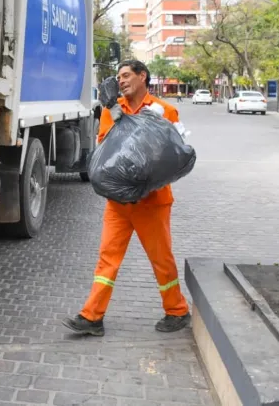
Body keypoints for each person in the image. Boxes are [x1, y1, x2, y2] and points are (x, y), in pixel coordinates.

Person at [63, 59, 191, 336]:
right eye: (118, 77)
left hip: (152, 202)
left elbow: (172, 154)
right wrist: (114, 112)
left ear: (142, 76)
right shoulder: (111, 112)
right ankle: (92, 316)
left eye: (126, 75)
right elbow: (107, 152)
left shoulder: (163, 111)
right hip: (118, 205)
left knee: (161, 259)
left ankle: (177, 311)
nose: (121, 81)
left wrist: (124, 119)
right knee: (107, 259)